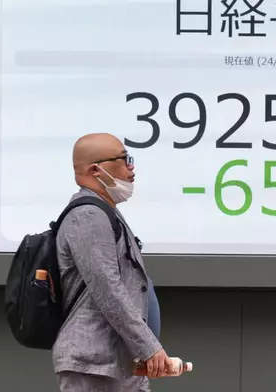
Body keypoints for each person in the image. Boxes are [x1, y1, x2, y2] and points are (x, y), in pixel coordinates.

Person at [53, 133, 173, 391]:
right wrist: (149, 346)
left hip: (119, 364)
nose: (131, 167)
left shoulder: (104, 212)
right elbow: (108, 289)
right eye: (124, 159)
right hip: (93, 366)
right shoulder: (87, 215)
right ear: (96, 169)